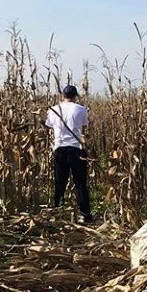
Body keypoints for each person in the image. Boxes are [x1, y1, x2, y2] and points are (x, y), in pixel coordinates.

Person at [45, 85, 93, 223]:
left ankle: (57, 212)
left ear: (63, 96)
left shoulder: (53, 109)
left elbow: (50, 127)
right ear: (75, 96)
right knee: (80, 183)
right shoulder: (81, 109)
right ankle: (85, 214)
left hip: (59, 148)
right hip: (76, 148)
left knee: (60, 182)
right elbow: (83, 128)